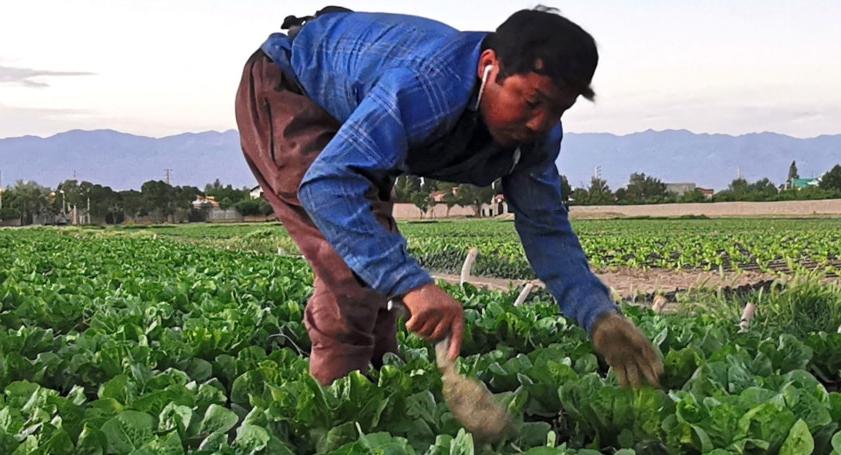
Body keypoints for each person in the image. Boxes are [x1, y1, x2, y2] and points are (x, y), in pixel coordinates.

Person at [235, 6, 662, 388]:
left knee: (372, 249)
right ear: (489, 68)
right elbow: (328, 187)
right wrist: (414, 285)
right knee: (349, 264)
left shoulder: (536, 136)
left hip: (357, 105)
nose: (540, 123)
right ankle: (336, 415)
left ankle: (381, 390)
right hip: (291, 87)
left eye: (558, 110)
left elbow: (545, 226)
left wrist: (599, 315)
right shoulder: (426, 87)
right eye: (532, 102)